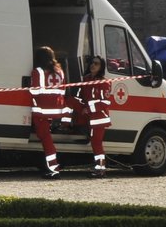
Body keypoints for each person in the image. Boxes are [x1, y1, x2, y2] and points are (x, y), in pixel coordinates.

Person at [70, 54, 113, 175]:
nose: (93, 65)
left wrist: (89, 109)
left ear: (101, 67)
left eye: (96, 63)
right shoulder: (86, 79)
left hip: (99, 117)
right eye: (92, 63)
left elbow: (105, 102)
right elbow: (82, 96)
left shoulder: (105, 82)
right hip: (89, 117)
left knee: (96, 142)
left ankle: (100, 168)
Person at [29, 45, 67, 178]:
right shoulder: (60, 71)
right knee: (47, 139)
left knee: (46, 139)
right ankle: (52, 167)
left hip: (41, 111)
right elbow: (63, 91)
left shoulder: (38, 71)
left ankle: (54, 168)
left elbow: (34, 92)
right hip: (56, 110)